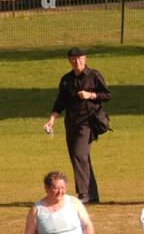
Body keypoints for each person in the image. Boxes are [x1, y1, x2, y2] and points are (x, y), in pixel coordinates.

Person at [44, 46, 107, 203]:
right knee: (78, 157)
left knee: (79, 154)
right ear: (69, 61)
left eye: (79, 58)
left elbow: (107, 94)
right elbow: (60, 101)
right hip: (71, 122)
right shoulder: (66, 80)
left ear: (85, 59)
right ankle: (93, 195)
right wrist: (52, 118)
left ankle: (83, 193)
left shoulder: (93, 76)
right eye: (73, 59)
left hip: (88, 122)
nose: (76, 61)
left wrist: (90, 95)